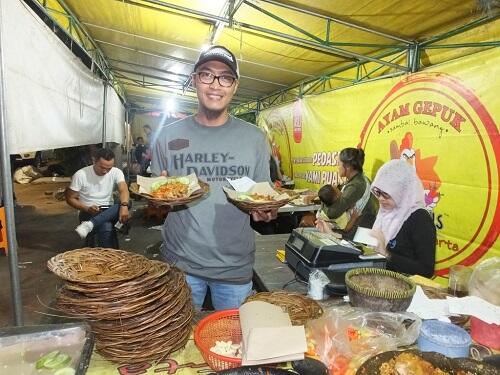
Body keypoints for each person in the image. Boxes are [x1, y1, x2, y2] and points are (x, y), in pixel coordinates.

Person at [151, 45, 277, 310]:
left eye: (225, 77)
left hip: (234, 266)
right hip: (181, 263)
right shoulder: (167, 136)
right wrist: (158, 199)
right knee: (179, 341)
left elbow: (262, 196)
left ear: (234, 85)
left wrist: (266, 211)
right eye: (207, 74)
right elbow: (157, 202)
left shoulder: (254, 138)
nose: (215, 85)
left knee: (230, 342)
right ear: (195, 79)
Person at [370, 159, 436, 278]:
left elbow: (426, 270)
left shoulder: (419, 219)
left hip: (405, 289)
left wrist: (387, 254)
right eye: (378, 192)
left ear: (402, 191)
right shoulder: (385, 212)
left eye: (386, 194)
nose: (380, 199)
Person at [65, 148, 130, 248]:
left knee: (126, 202)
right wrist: (87, 208)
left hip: (108, 209)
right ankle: (109, 256)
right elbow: (70, 198)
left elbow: (123, 189)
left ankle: (90, 225)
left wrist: (124, 206)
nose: (105, 171)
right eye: (102, 167)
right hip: (88, 212)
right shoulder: (81, 175)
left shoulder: (116, 172)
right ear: (94, 160)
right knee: (106, 226)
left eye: (109, 168)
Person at [316, 148, 378, 238]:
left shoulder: (355, 186)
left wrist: (323, 199)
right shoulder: (357, 180)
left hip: (356, 234)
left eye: (339, 164)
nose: (337, 167)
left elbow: (332, 213)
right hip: (355, 228)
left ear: (347, 167)